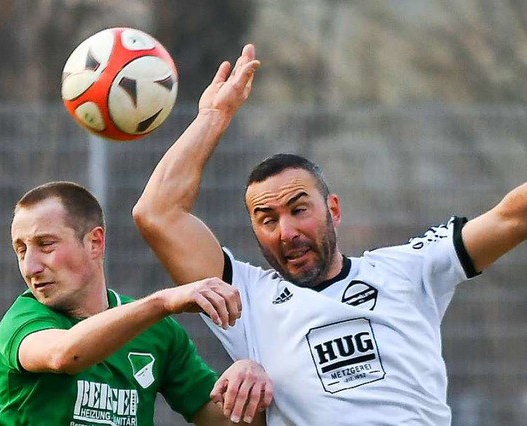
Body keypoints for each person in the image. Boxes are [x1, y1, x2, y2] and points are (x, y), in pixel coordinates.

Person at [132, 43, 527, 425]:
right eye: (267, 219)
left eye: (299, 210)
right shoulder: (246, 301)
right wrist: (214, 115)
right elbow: (157, 214)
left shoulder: (408, 269)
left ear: (333, 210)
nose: (287, 232)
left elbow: (514, 216)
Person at [0, 181, 273, 425]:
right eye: (21, 250)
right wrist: (163, 302)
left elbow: (227, 422)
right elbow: (65, 355)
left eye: (46, 245)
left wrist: (246, 381)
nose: (30, 266)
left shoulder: (158, 333)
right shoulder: (24, 319)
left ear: (94, 242)